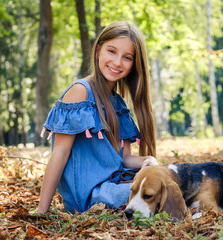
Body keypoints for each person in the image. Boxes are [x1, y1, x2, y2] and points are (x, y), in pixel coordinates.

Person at [36, 21, 158, 214]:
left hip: (114, 185)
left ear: (134, 64)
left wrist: (147, 160)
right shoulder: (80, 92)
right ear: (98, 50)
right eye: (111, 51)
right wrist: (41, 210)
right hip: (89, 196)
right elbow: (59, 154)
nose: (117, 62)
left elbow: (125, 158)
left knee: (167, 177)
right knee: (158, 191)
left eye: (127, 57)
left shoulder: (118, 103)